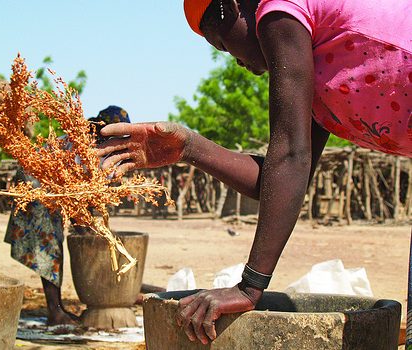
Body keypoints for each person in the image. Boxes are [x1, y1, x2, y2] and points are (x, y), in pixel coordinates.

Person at [96, 0, 411, 344]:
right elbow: (281, 179)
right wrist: (188, 148)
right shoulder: (317, 78)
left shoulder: (279, 10)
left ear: (232, 5)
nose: (236, 61)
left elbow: (290, 156)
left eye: (221, 43)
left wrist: (250, 286)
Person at [5, 105, 131, 325]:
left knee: (55, 241)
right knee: (49, 244)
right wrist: (84, 225)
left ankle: (57, 308)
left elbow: (80, 195)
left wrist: (87, 226)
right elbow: (73, 193)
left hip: (48, 186)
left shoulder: (98, 148)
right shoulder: (84, 144)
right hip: (35, 183)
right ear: (102, 131)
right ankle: (55, 312)